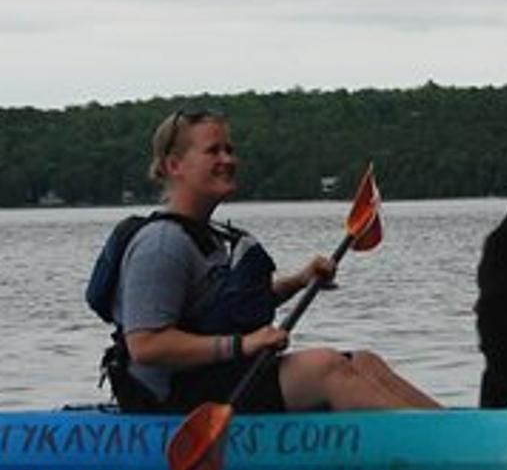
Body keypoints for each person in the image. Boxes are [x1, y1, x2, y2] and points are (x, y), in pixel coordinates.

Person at [102, 109, 441, 415]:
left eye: (230, 149)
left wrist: (298, 281)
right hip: (173, 398)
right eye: (213, 151)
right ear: (173, 165)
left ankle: (461, 430)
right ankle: (444, 451)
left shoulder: (208, 235)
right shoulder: (162, 245)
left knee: (366, 362)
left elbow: (222, 311)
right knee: (326, 366)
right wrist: (244, 344)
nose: (228, 159)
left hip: (217, 379)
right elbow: (146, 345)